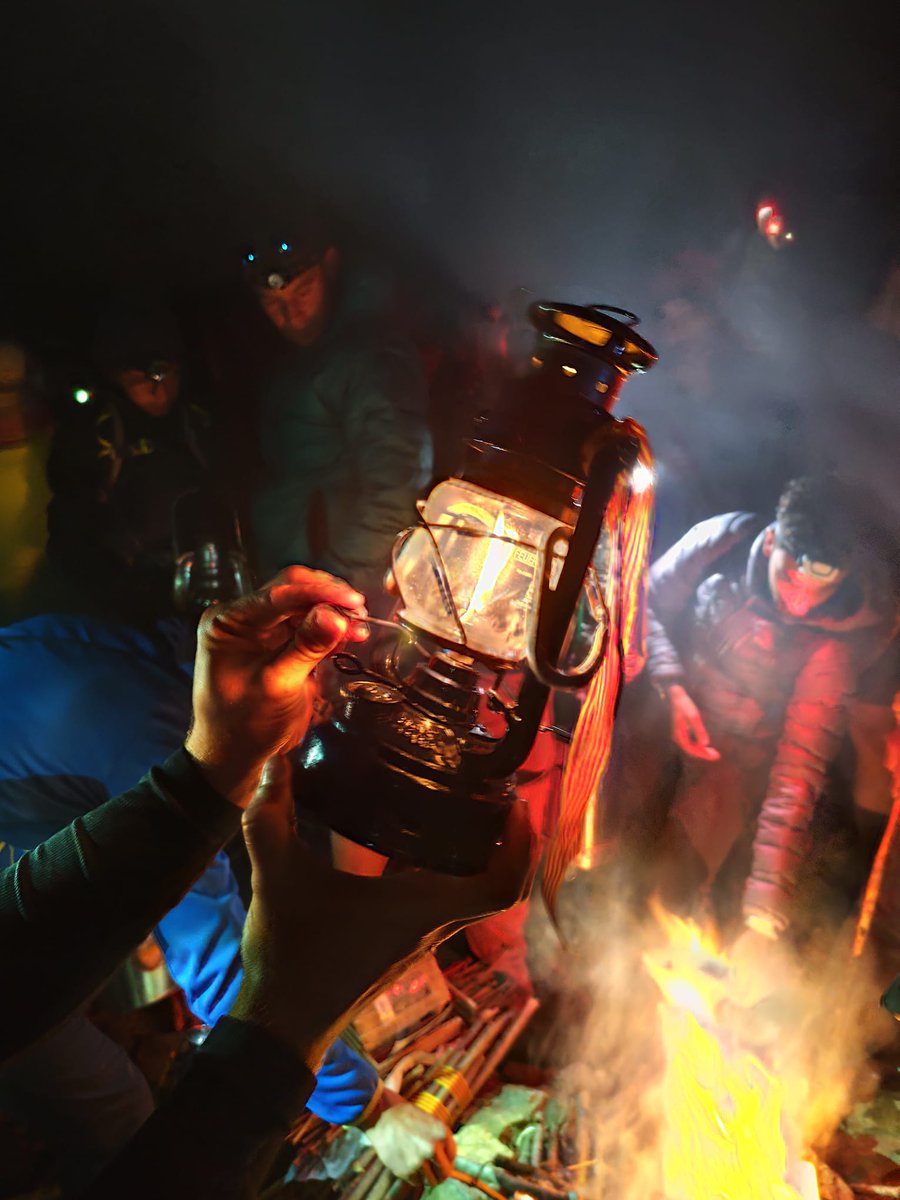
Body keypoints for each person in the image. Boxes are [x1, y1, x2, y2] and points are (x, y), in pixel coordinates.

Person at [0, 566, 536, 1199]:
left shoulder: (162, 667)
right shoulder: (146, 730)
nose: (333, 714)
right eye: (340, 700)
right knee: (113, 1107)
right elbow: (224, 969)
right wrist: (372, 1110)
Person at [644, 476, 890, 943]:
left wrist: (765, 906)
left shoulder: (835, 642)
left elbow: (798, 769)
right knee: (603, 833)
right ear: (773, 539)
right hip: (657, 711)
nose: (799, 603)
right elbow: (645, 604)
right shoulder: (720, 544)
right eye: (790, 579)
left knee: (681, 875)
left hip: (731, 760)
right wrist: (670, 686)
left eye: (819, 590)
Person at [244, 219, 432, 605]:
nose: (291, 315)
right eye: (273, 304)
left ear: (329, 266)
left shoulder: (371, 358)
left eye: (303, 292)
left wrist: (337, 586)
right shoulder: (297, 359)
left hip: (338, 590)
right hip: (292, 574)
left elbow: (395, 484)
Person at [45, 302, 213, 620]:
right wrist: (123, 594)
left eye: (167, 372)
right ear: (114, 375)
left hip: (201, 588)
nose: (158, 388)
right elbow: (70, 538)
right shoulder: (94, 436)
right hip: (132, 602)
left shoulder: (197, 421)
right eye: (143, 375)